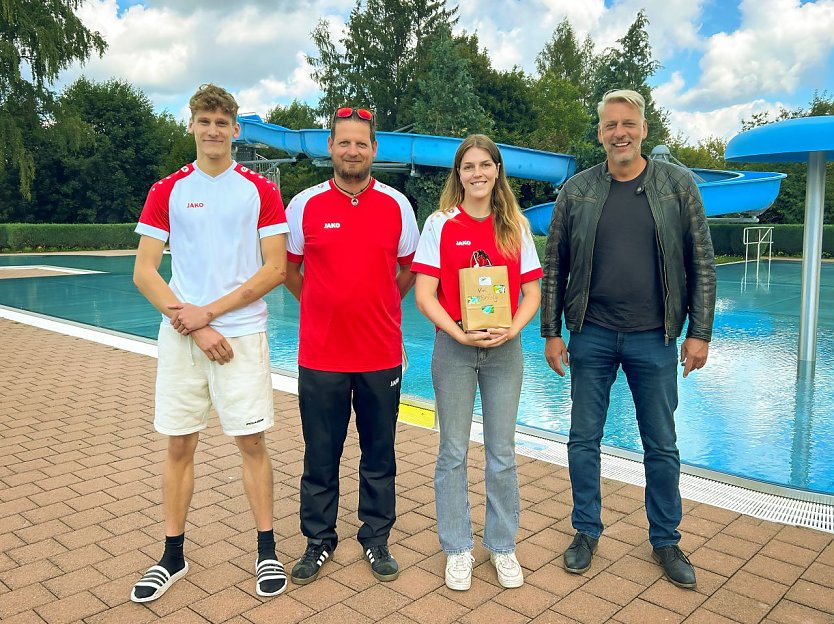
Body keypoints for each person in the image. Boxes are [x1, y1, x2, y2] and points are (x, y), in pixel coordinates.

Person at [540, 89, 716, 589]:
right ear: (600, 133)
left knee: (661, 445)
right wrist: (552, 333)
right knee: (583, 440)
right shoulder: (576, 191)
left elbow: (701, 262)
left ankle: (665, 539)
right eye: (611, 125)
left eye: (628, 123)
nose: (620, 132)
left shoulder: (678, 186)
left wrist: (699, 332)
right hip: (591, 335)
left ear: (643, 128)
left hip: (654, 337)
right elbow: (554, 265)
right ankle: (585, 531)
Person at [131, 84, 289, 602]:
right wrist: (195, 325)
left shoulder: (259, 190)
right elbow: (145, 273)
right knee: (179, 443)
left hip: (241, 336)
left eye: (223, 122)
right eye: (205, 121)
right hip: (183, 338)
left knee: (252, 442)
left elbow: (275, 269)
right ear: (192, 126)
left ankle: (266, 549)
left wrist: (213, 314)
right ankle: (171, 555)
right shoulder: (168, 189)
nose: (214, 130)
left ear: (236, 129)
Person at [284, 106, 419, 585]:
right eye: (344, 142)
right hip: (321, 356)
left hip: (380, 354)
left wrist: (378, 303)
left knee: (380, 453)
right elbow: (288, 269)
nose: (353, 150)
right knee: (320, 454)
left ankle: (376, 538)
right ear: (331, 148)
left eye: (361, 143)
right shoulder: (303, 205)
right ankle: (318, 540)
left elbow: (409, 270)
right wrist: (322, 305)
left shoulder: (398, 206)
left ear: (374, 149)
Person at [412, 134, 542, 591]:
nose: (478, 173)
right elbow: (424, 294)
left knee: (502, 454)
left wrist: (513, 329)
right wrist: (459, 332)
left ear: (498, 170)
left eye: (486, 164)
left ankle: (502, 546)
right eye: (469, 166)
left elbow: (532, 293)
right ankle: (458, 548)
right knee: (452, 451)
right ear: (459, 174)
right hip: (455, 351)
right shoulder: (440, 224)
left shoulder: (515, 227)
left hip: (505, 351)